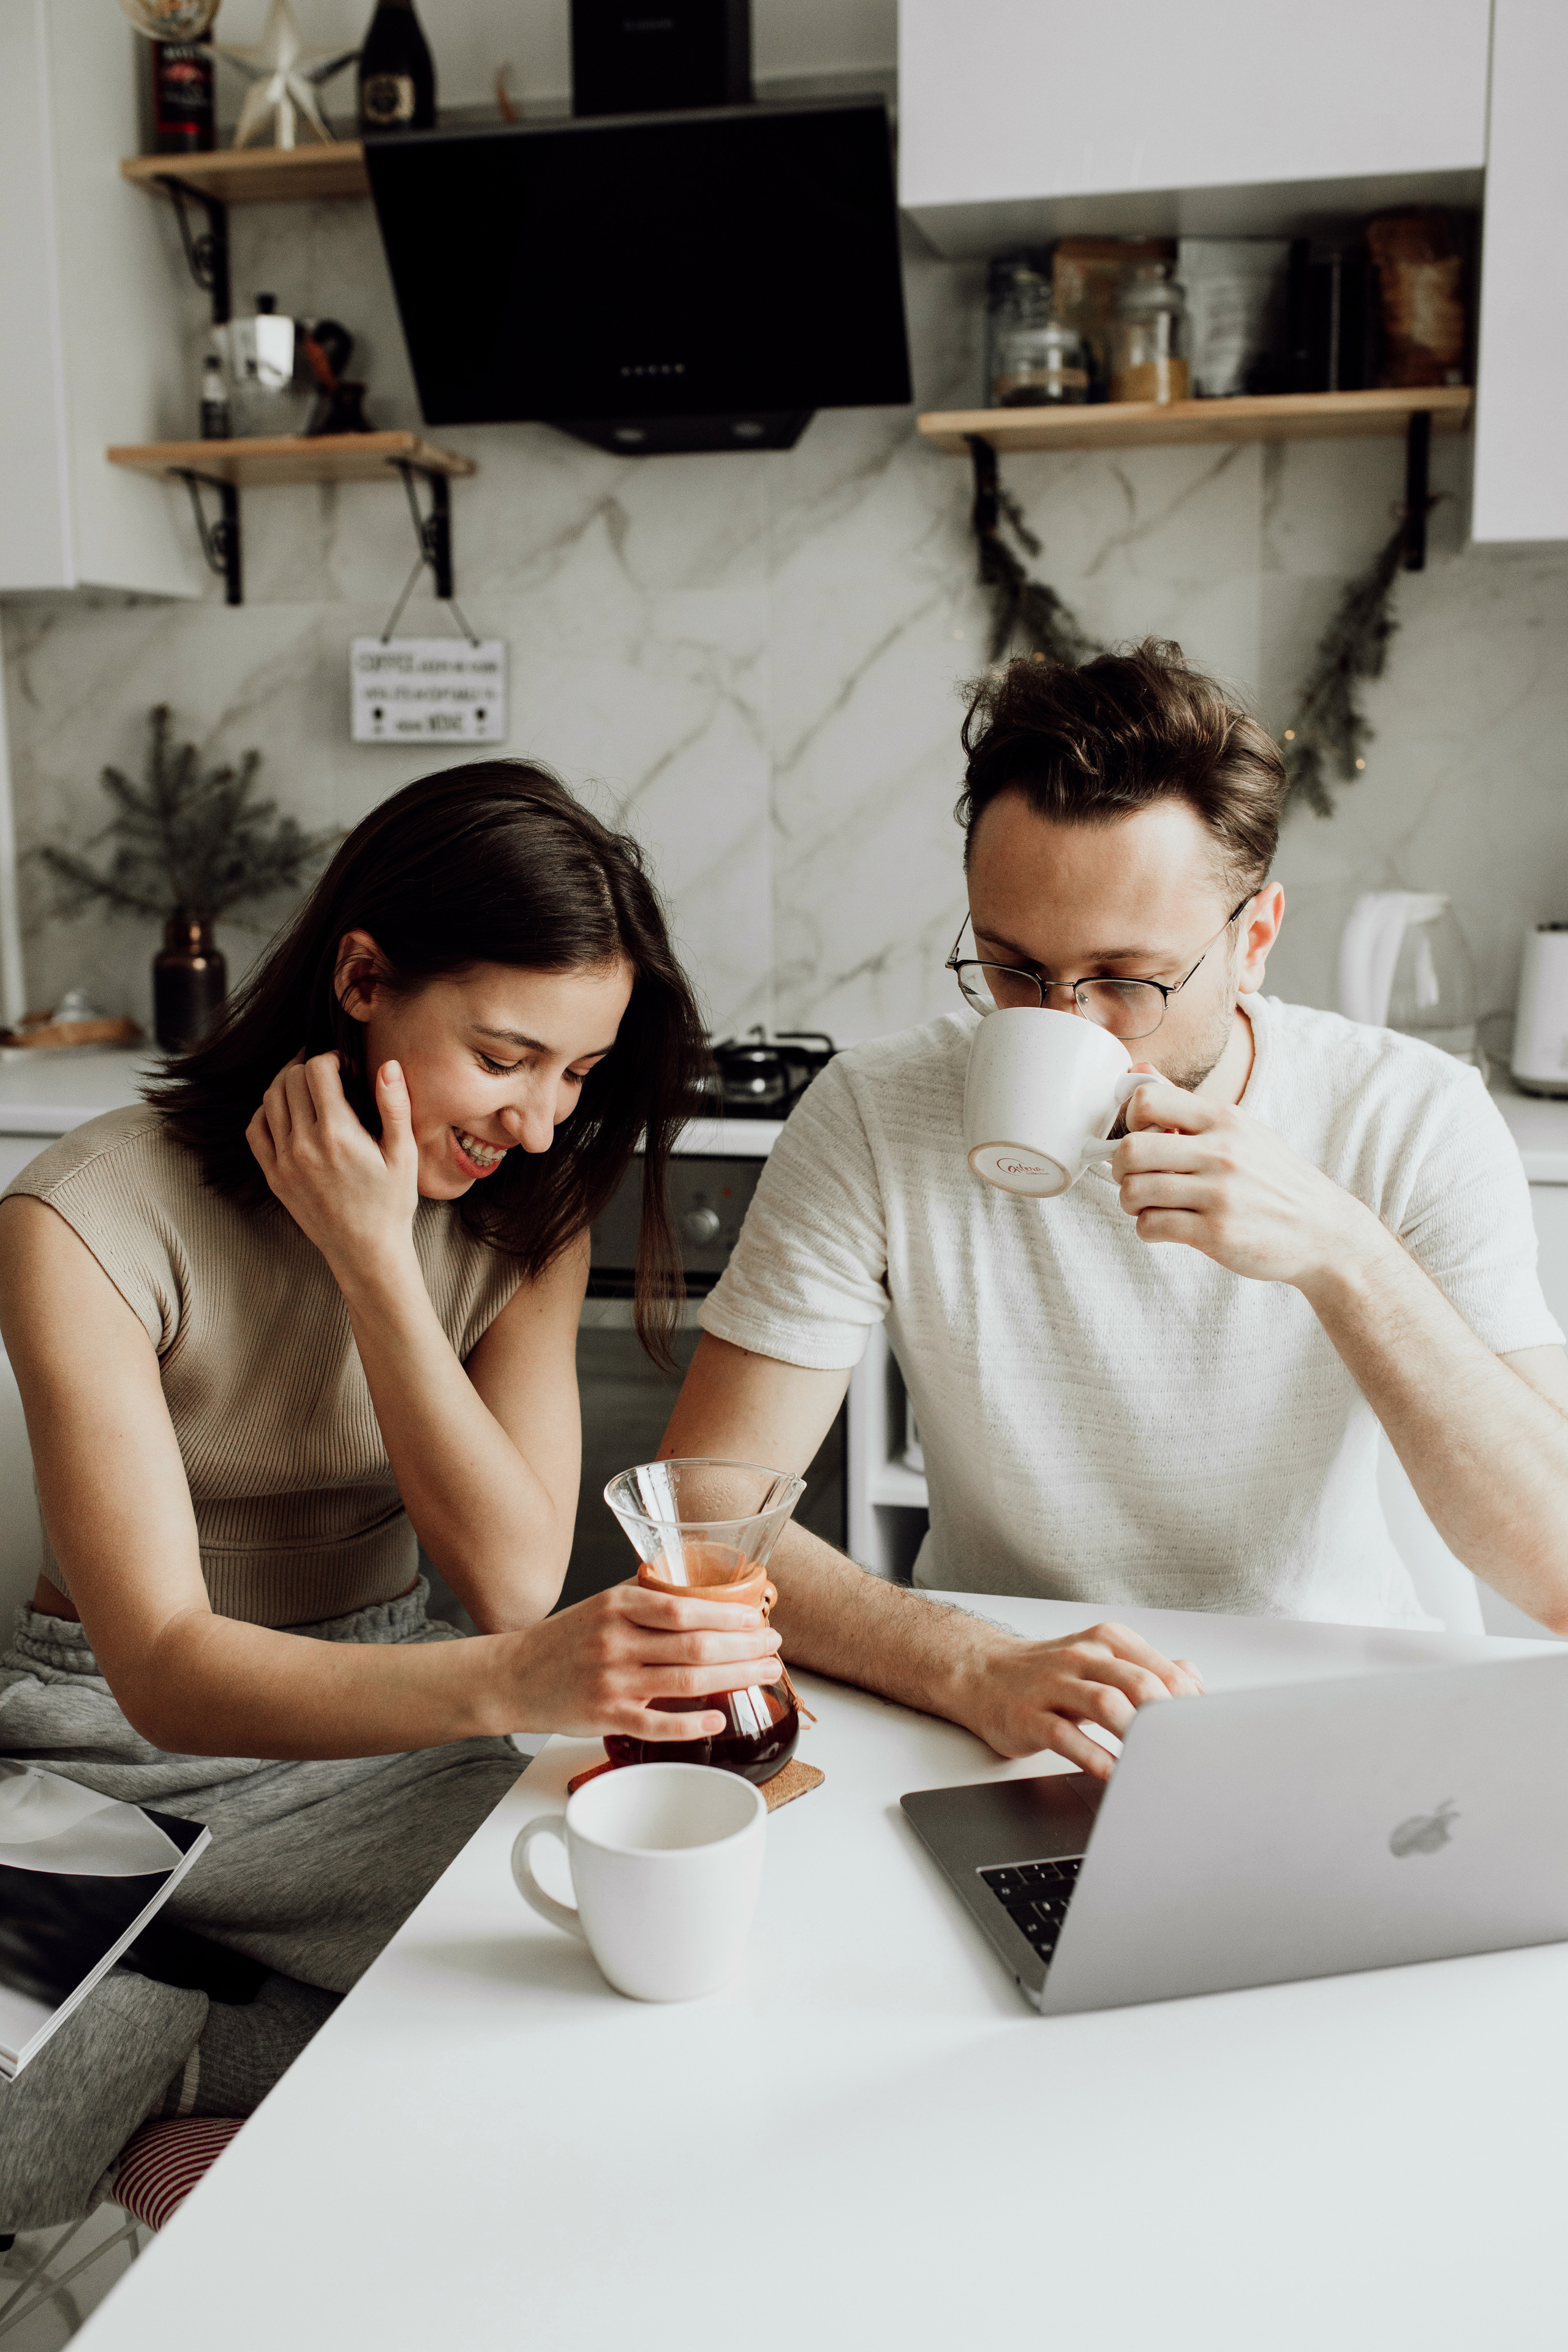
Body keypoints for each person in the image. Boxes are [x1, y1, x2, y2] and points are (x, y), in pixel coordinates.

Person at [0, 763, 785, 2226]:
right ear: (362, 976)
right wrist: (512, 1680)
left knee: (632, 1958)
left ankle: (189, 2041)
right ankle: (208, 2033)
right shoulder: (76, 1219)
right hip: (108, 1745)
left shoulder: (522, 1207)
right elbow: (162, 1669)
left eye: (577, 1074)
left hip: (391, 1709)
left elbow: (500, 1577)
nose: (542, 1123)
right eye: (505, 1056)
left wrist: (374, 1260)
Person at [661, 641, 1568, 1776]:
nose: (1066, 1022)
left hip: (1333, 1717)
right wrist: (968, 1664)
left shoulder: (1410, 1115)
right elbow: (706, 1510)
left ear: (1256, 936)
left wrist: (1343, 1254)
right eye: (1012, 967)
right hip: (1005, 1720)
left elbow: (1557, 1566)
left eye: (1128, 980)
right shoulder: (876, 1112)